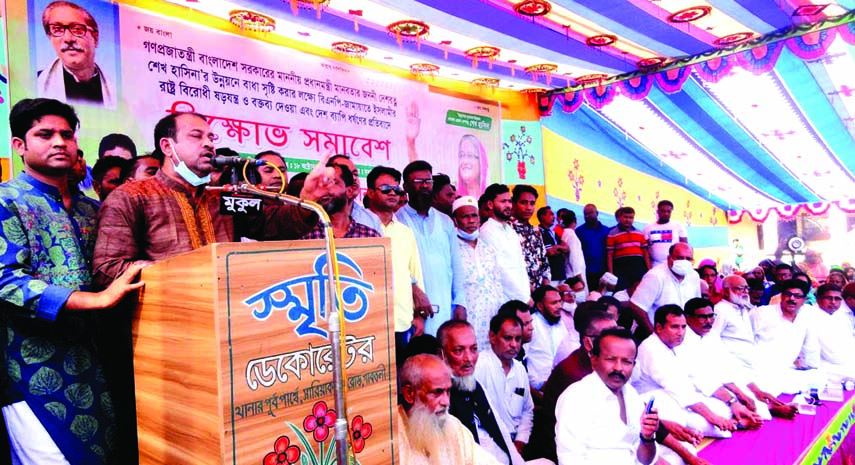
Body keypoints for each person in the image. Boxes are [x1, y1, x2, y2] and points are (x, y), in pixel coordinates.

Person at [1, 98, 145, 463]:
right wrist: (94, 300)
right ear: (19, 145)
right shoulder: (7, 200)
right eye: (44, 134)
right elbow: (6, 282)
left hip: (96, 364)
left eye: (66, 134)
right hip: (33, 366)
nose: (59, 142)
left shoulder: (91, 209)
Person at [633, 306, 761, 438]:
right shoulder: (651, 349)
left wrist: (733, 402)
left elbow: (699, 376)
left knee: (723, 408)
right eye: (675, 327)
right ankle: (733, 424)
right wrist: (714, 418)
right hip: (658, 401)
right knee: (700, 421)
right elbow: (678, 390)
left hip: (682, 397)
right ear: (659, 327)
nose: (680, 332)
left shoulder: (679, 345)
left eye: (683, 327)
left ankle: (732, 421)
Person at [555, 328, 659, 465]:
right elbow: (569, 459)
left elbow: (645, 460)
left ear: (634, 365)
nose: (618, 368)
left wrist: (647, 437)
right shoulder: (576, 398)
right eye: (611, 359)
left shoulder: (632, 395)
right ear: (594, 361)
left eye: (627, 361)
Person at [681, 298, 786, 421]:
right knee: (719, 408)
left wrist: (754, 391)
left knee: (757, 385)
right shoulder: (682, 339)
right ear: (688, 318)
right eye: (703, 317)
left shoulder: (711, 335)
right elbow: (701, 378)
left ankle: (764, 408)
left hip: (718, 383)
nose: (708, 321)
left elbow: (728, 364)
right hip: (697, 387)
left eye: (711, 316)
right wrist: (735, 397)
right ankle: (755, 413)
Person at [534, 304, 616, 462]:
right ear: (588, 343)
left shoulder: (607, 366)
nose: (617, 342)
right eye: (608, 338)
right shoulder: (573, 375)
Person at [364, 166, 429, 360]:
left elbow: (415, 276)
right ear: (370, 193)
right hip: (368, 322)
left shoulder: (405, 232)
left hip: (401, 320)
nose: (392, 193)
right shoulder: (360, 228)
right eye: (385, 189)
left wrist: (419, 315)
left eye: (396, 189)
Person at [438, 320, 523, 465]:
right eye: (459, 351)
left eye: (473, 349)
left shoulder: (477, 386)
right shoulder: (439, 398)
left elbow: (501, 431)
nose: (469, 358)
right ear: (442, 354)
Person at [398, 161, 467, 335]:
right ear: (405, 186)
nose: (424, 186)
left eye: (428, 181)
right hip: (413, 311)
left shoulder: (445, 221)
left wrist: (460, 301)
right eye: (418, 182)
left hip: (445, 306)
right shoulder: (397, 220)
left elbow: (455, 265)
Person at [397, 353, 501, 465]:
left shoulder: (453, 427)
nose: (446, 402)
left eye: (448, 391)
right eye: (437, 392)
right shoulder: (391, 438)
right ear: (409, 394)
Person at [474, 315, 534, 457]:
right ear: (492, 337)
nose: (514, 344)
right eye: (508, 338)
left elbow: (527, 411)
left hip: (517, 446)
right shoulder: (479, 366)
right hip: (488, 448)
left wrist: (520, 441)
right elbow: (474, 419)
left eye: (518, 339)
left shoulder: (520, 369)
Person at [37, 1, 115, 106]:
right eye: (57, 29)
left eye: (77, 29)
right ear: (50, 37)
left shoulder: (116, 91)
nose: (68, 39)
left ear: (95, 38)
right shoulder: (37, 82)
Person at [452, 196, 504, 350]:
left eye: (474, 215)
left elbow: (497, 281)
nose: (471, 220)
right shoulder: (451, 247)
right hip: (467, 316)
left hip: (492, 315)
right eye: (465, 216)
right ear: (455, 220)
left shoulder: (487, 247)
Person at [630, 243, 701, 339]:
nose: (684, 262)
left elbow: (695, 307)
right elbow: (636, 307)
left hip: (682, 335)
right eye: (679, 258)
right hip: (653, 334)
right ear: (669, 258)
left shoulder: (694, 276)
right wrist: (655, 337)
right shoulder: (655, 276)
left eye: (688, 259)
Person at [751, 279, 820, 371]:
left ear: (804, 300)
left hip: (790, 370)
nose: (791, 298)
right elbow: (745, 341)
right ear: (781, 296)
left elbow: (810, 347)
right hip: (759, 368)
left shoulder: (806, 316)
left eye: (797, 296)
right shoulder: (761, 313)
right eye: (788, 294)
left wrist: (812, 367)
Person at [480, 184, 531, 304]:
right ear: (490, 204)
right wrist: (523, 297)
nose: (508, 205)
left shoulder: (509, 230)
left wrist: (526, 294)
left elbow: (520, 265)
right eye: (503, 201)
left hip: (522, 297)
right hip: (504, 299)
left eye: (509, 201)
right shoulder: (487, 231)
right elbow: (500, 269)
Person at [301, 163, 380, 239]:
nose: (325, 189)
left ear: (349, 191)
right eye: (321, 184)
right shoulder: (304, 235)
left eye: (333, 182)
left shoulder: (370, 236)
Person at [526, 285, 571, 399]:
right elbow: (522, 362)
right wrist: (539, 386)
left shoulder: (561, 323)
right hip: (539, 388)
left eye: (560, 302)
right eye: (554, 303)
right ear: (540, 306)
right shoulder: (530, 325)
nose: (559, 306)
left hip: (563, 384)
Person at [711, 275, 758, 370]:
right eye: (740, 288)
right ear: (726, 292)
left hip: (750, 363)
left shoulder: (744, 308)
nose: (746, 292)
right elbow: (712, 338)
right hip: (733, 365)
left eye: (747, 288)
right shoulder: (720, 309)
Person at [512, 185, 551, 290]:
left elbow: (544, 263)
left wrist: (544, 289)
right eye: (523, 202)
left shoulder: (536, 231)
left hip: (539, 293)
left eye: (532, 203)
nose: (528, 207)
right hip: (517, 292)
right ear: (514, 204)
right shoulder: (506, 229)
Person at [813, 283, 855, 375]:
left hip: (844, 365)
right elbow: (833, 355)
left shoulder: (840, 315)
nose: (833, 302)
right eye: (828, 298)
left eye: (837, 299)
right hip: (828, 369)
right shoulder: (812, 317)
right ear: (818, 299)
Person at [607, 206, 649, 291]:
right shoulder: (612, 234)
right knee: (621, 293)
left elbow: (645, 253)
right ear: (619, 218)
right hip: (621, 270)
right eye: (625, 217)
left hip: (638, 269)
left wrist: (649, 270)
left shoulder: (639, 233)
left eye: (631, 217)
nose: (628, 220)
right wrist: (611, 273)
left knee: (638, 292)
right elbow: (609, 255)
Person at [643, 200, 688, 268]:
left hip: (674, 266)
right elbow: (645, 250)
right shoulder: (648, 228)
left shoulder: (678, 226)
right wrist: (649, 268)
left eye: (668, 211)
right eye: (663, 211)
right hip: (655, 266)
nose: (666, 213)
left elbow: (685, 248)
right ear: (658, 211)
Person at [576, 204, 610, 288]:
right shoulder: (579, 231)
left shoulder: (606, 230)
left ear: (597, 213)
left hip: (604, 270)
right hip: (588, 271)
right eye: (585, 214)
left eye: (590, 213)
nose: (587, 216)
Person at [537, 206, 568, 286]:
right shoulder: (539, 232)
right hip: (551, 275)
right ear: (542, 217)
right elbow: (550, 252)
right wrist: (560, 249)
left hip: (561, 273)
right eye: (551, 214)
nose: (553, 217)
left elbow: (567, 248)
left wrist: (558, 247)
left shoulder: (553, 233)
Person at [557, 210, 586, 290]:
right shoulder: (570, 234)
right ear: (575, 221)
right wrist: (579, 276)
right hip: (575, 273)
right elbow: (574, 256)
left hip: (571, 271)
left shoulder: (565, 233)